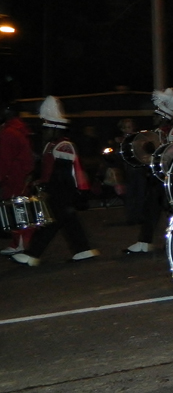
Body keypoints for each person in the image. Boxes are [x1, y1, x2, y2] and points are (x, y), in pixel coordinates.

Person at [12, 97, 100, 266]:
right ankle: (83, 250)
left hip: (63, 191)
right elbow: (46, 167)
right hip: (58, 191)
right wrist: (35, 176)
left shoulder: (63, 146)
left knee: (51, 223)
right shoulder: (52, 145)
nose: (44, 132)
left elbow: (63, 175)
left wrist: (48, 188)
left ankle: (32, 254)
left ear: (54, 128)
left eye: (46, 128)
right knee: (68, 222)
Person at [124, 88, 173, 253]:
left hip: (170, 177)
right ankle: (144, 242)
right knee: (152, 208)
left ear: (164, 117)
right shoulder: (155, 133)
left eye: (157, 115)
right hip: (157, 176)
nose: (153, 118)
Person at [0, 106, 36, 255]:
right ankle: (22, 241)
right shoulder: (20, 130)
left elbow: (4, 160)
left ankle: (19, 243)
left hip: (14, 177)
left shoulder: (8, 133)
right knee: (20, 208)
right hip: (21, 175)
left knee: (15, 209)